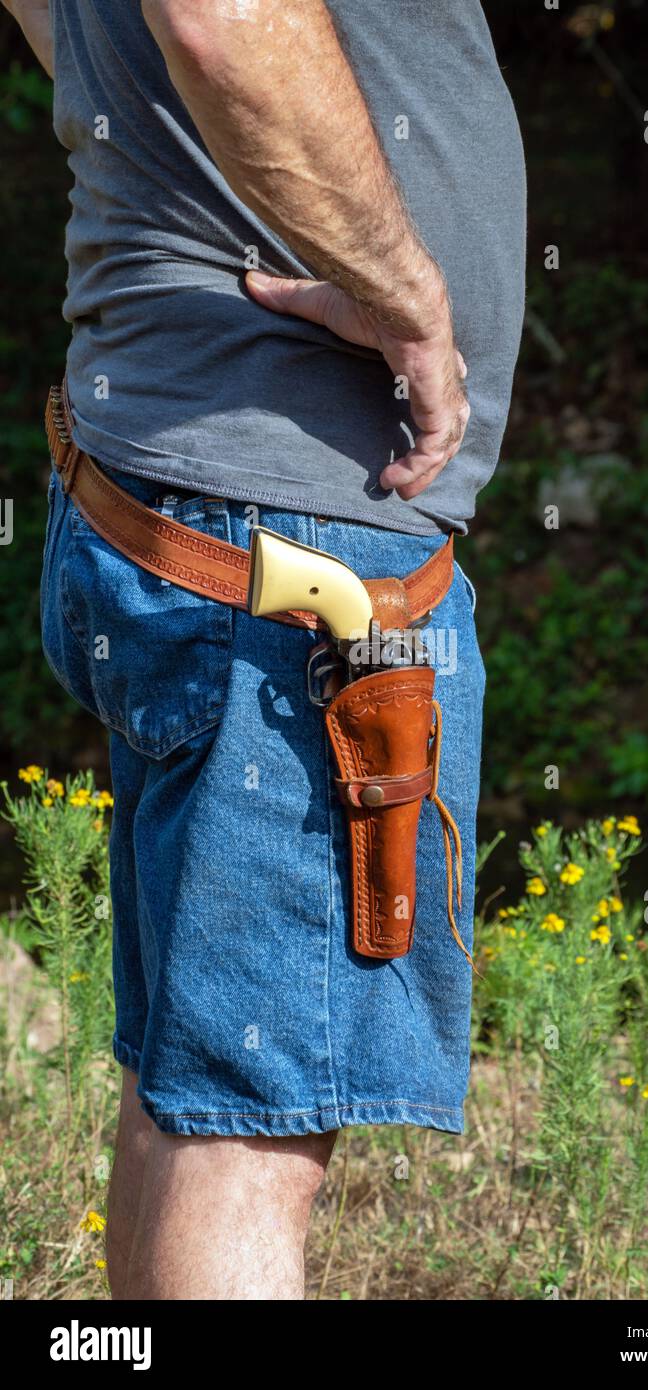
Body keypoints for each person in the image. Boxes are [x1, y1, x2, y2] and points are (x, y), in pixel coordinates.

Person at [5, 0, 525, 1299]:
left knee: (188, 1080)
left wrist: (157, 136)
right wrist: (404, 292)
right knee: (246, 1134)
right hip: (289, 544)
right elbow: (223, 14)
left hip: (192, 497)